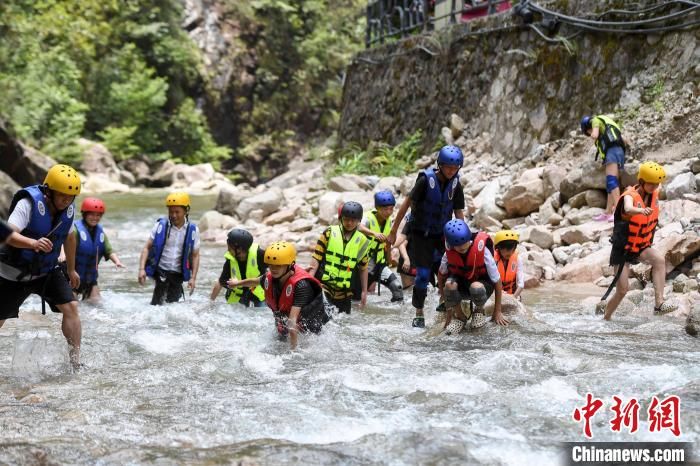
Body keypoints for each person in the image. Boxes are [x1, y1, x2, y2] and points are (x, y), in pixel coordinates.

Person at [0, 164, 82, 369]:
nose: (67, 200)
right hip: (14, 273)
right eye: (62, 195)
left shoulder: (68, 209)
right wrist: (32, 243)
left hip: (46, 271)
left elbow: (70, 238)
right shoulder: (27, 204)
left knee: (71, 307)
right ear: (49, 191)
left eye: (70, 197)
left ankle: (75, 362)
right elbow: (9, 234)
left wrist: (71, 269)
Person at [387, 145, 466, 328]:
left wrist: (464, 237)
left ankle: (444, 304)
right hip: (421, 235)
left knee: (445, 273)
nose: (451, 171)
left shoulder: (456, 184)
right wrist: (393, 230)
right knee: (422, 275)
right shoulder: (425, 181)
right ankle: (419, 312)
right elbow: (406, 204)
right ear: (440, 164)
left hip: (442, 236)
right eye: (448, 167)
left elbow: (458, 212)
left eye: (455, 168)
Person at [601, 161, 678, 320]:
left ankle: (659, 304)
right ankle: (606, 319)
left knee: (658, 260)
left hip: (639, 246)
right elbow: (628, 208)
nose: (655, 187)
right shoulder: (630, 196)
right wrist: (641, 211)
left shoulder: (653, 192)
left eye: (657, 184)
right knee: (622, 290)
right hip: (622, 249)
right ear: (641, 182)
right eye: (651, 184)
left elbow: (659, 186)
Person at [439, 219, 508, 335]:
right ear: (451, 245)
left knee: (476, 287)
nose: (461, 247)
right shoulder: (448, 253)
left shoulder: (483, 250)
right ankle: (460, 317)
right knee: (449, 284)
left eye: (464, 243)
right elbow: (441, 278)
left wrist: (497, 311)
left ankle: (479, 311)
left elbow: (497, 280)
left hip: (482, 286)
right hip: (462, 286)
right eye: (458, 246)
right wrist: (448, 311)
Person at [262, 241, 330, 350]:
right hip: (287, 327)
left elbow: (292, 322)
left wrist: (293, 352)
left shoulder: (302, 286)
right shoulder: (273, 277)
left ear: (290, 265)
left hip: (310, 331)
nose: (273, 269)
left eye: (278, 265)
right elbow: (257, 280)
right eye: (271, 265)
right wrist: (237, 283)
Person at [138, 192, 200, 305]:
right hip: (161, 270)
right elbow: (147, 247)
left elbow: (195, 255)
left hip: (178, 274)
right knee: (157, 305)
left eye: (177, 212)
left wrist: (193, 278)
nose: (174, 215)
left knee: (173, 305)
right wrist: (141, 269)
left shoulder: (193, 230)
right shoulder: (160, 226)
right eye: (171, 212)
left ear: (186, 211)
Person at [308, 201, 370, 314]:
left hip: (345, 292)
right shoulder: (329, 232)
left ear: (359, 221)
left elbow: (363, 267)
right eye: (346, 219)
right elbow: (316, 257)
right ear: (341, 218)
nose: (349, 223)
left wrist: (364, 291)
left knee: (342, 324)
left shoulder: (362, 240)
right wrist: (309, 280)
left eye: (353, 220)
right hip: (324, 286)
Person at [72, 197, 125, 302]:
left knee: (97, 304)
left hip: (90, 279)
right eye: (91, 214)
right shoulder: (75, 230)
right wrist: (62, 255)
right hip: (73, 277)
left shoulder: (100, 232)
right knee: (72, 307)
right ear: (85, 214)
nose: (95, 218)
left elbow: (108, 250)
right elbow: (65, 245)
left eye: (98, 215)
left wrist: (117, 261)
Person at [580, 115, 631, 222]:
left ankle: (617, 212)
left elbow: (594, 135)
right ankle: (608, 212)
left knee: (611, 181)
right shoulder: (608, 125)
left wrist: (592, 134)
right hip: (617, 151)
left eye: (587, 132)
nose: (588, 133)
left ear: (587, 127)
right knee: (610, 184)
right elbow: (625, 140)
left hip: (613, 151)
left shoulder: (595, 121)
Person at [356, 190, 403, 302]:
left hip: (380, 263)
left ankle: (392, 317)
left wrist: (389, 258)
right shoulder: (368, 217)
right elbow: (358, 226)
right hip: (364, 263)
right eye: (385, 209)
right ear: (377, 208)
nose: (388, 212)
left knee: (397, 288)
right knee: (357, 297)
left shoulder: (389, 221)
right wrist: (374, 233)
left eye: (391, 209)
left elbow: (388, 242)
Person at [210, 228, 266, 307]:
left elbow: (275, 269)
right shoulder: (230, 261)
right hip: (239, 297)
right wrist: (210, 303)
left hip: (258, 296)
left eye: (230, 248)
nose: (228, 250)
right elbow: (220, 282)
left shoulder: (259, 254)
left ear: (239, 249)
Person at [493, 230, 524, 300]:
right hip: (495, 294)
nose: (510, 251)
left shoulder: (518, 259)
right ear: (498, 247)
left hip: (513, 295)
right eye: (507, 248)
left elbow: (521, 284)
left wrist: (513, 298)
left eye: (512, 248)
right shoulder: (492, 259)